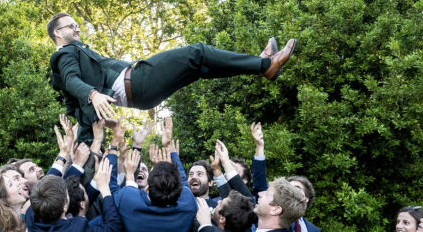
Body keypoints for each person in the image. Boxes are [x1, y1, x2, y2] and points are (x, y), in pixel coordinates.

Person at [47, 11, 296, 143]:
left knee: (200, 67)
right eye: (71, 26)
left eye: (76, 24)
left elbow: (72, 101)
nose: (77, 28)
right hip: (138, 81)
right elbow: (70, 80)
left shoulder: (75, 50)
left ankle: (262, 66)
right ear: (58, 33)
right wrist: (92, 95)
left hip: (141, 92)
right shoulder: (65, 53)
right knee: (196, 51)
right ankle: (265, 63)